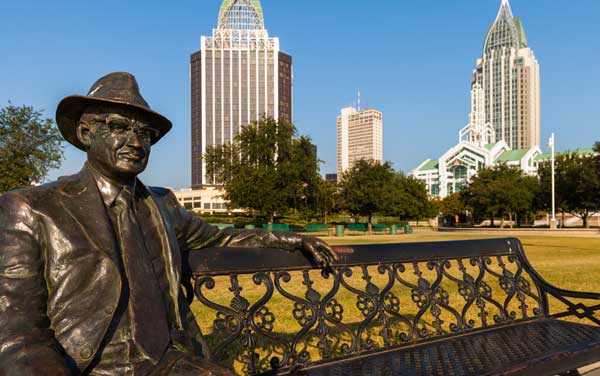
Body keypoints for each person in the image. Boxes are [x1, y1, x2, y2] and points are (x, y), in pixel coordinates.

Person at [0, 72, 336, 376]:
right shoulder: (32, 208)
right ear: (86, 133)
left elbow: (220, 239)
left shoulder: (162, 204)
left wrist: (290, 241)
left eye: (145, 133)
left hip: (172, 361)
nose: (136, 141)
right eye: (119, 127)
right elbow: (17, 338)